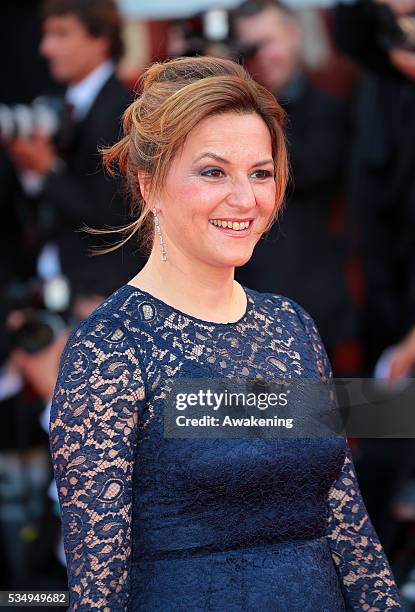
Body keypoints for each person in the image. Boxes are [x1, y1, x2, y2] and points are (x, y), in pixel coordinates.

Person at [48, 56, 402, 610]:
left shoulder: (290, 327)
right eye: (214, 171)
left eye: (260, 172)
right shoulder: (110, 349)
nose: (246, 198)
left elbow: (347, 524)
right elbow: (97, 589)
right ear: (150, 187)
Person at [231, 0, 357, 370]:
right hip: (238, 300)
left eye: (269, 42)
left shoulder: (329, 109)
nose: (263, 56)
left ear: (294, 35)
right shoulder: (226, 116)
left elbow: (301, 171)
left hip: (308, 303)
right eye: (251, 48)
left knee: (308, 423)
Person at [7, 0, 144, 314]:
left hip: (99, 296)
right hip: (46, 289)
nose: (46, 48)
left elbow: (113, 215)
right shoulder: (57, 105)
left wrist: (46, 171)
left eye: (61, 34)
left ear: (100, 38)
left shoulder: (125, 111)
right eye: (46, 35)